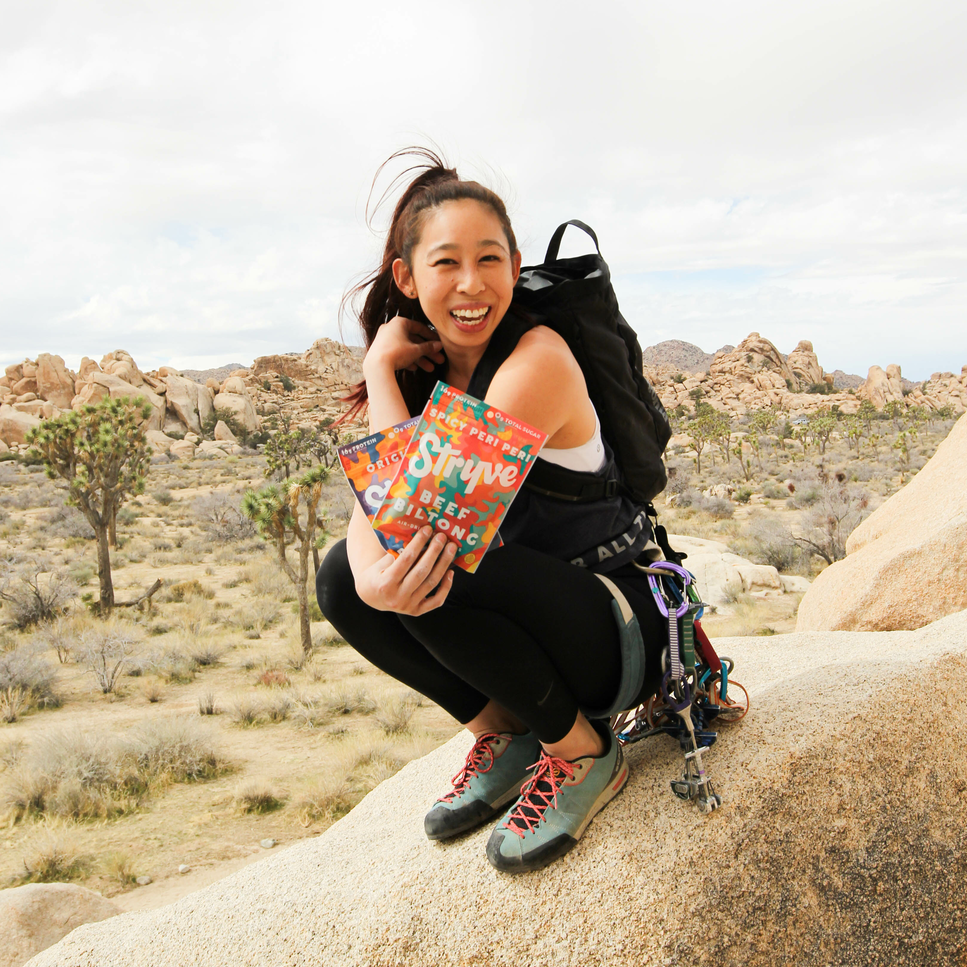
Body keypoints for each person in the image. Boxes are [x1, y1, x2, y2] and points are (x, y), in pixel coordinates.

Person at [316, 148, 667, 873]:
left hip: (618, 627)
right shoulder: (433, 372)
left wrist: (378, 373)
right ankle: (507, 731)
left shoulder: (534, 360)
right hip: (542, 627)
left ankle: (583, 754)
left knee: (433, 568)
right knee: (339, 581)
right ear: (407, 278)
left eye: (489, 260)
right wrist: (386, 372)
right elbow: (375, 518)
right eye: (446, 263)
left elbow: (413, 520)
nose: (471, 284)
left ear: (513, 264)